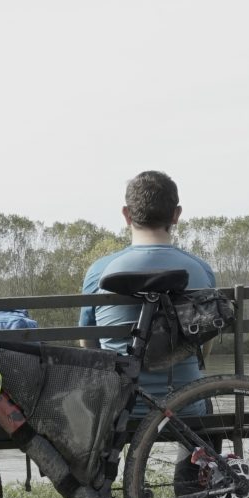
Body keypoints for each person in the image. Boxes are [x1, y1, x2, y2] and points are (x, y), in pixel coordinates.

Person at [79, 170, 217, 410]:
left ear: (126, 215)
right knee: (200, 407)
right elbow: (206, 339)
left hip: (119, 409)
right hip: (186, 406)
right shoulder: (201, 271)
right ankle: (194, 449)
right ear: (176, 215)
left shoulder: (99, 271)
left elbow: (88, 341)